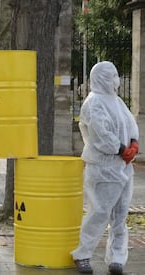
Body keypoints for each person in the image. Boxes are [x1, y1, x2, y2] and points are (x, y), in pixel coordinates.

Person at [71, 61, 139, 274]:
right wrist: (120, 149)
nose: (116, 80)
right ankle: (82, 255)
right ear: (101, 78)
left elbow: (131, 123)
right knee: (99, 212)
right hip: (103, 167)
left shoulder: (117, 101)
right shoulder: (94, 102)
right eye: (113, 76)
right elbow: (100, 132)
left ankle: (117, 258)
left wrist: (134, 142)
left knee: (120, 215)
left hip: (123, 167)